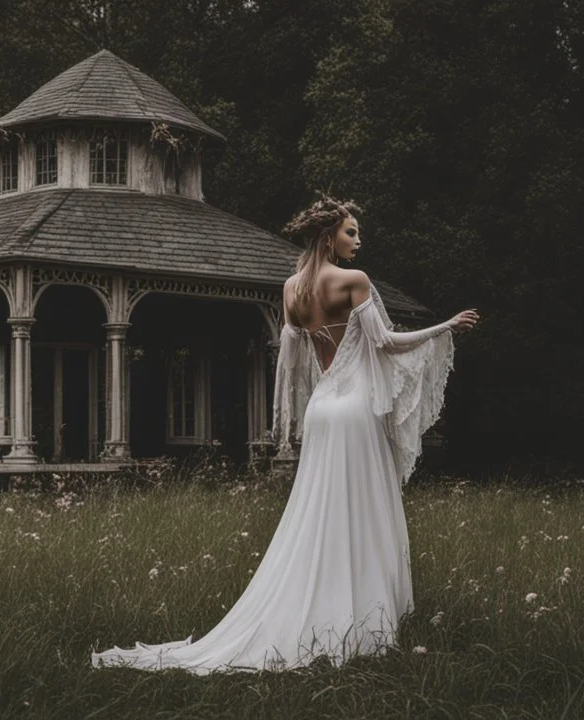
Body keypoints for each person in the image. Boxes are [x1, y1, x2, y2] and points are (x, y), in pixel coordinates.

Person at [91, 195, 480, 674]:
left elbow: (290, 362)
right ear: (327, 236)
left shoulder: (292, 287)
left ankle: (320, 602)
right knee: (364, 509)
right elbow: (386, 342)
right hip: (355, 408)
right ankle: (365, 620)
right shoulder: (354, 281)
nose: (358, 240)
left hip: (321, 409)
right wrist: (445, 327)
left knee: (319, 511)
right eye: (350, 232)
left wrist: (284, 422)